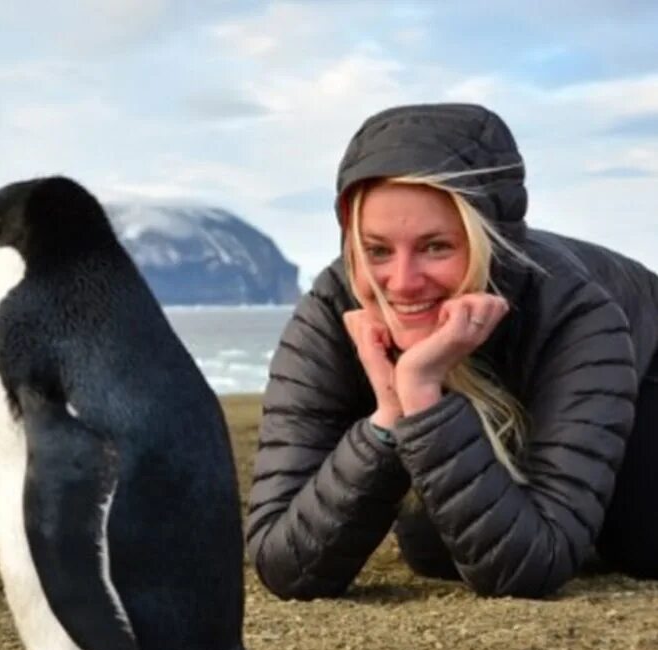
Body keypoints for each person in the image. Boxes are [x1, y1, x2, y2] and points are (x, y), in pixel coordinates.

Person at [246, 102, 658, 600]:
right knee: (434, 549)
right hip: (499, 409)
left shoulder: (577, 312)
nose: (402, 282)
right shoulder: (330, 311)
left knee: (641, 542)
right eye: (376, 249)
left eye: (436, 246)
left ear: (489, 240)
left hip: (645, 370)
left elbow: (531, 570)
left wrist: (420, 387)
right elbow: (282, 564)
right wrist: (392, 416)